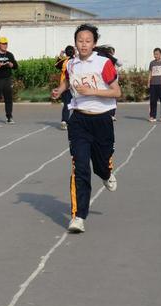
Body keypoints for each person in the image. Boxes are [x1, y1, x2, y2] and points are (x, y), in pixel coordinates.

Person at [51, 24, 121, 233]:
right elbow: (67, 82)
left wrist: (92, 91)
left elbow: (117, 92)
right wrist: (59, 90)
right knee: (80, 167)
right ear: (75, 43)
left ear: (94, 44)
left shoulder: (104, 63)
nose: (83, 44)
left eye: (87, 41)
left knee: (100, 165)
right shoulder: (71, 64)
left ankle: (106, 174)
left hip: (102, 121)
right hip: (79, 121)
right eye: (80, 40)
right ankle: (78, 216)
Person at [55, 45, 75, 130]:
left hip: (63, 85)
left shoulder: (64, 61)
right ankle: (67, 121)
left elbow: (56, 65)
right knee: (74, 104)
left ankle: (65, 121)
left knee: (67, 103)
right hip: (73, 85)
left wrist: (60, 55)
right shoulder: (75, 61)